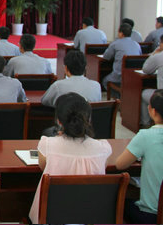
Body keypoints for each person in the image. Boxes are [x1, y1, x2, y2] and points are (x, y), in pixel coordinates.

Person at [28, 92, 112, 224]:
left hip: (52, 216)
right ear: (88, 120)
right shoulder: (103, 149)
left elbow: (43, 167)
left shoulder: (48, 144)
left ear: (58, 121)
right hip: (90, 216)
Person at [116, 89, 163, 224]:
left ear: (152, 111)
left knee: (118, 199)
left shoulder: (146, 136)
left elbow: (120, 165)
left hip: (151, 216)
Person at [101, 23, 142, 91]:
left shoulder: (115, 43)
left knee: (105, 80)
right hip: (134, 76)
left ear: (121, 33)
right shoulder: (137, 44)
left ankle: (116, 95)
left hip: (119, 76)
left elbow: (106, 57)